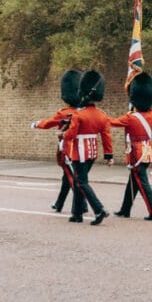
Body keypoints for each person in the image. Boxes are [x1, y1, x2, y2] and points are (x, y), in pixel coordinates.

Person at [62, 70, 112, 225]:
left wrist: (61, 134)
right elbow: (106, 136)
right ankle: (77, 214)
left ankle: (99, 209)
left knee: (82, 182)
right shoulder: (102, 115)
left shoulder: (79, 115)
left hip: (80, 152)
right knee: (78, 181)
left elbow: (70, 134)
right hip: (92, 151)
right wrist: (109, 155)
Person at [31, 70, 86, 214]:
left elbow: (49, 123)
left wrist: (36, 124)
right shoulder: (83, 112)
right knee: (67, 178)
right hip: (80, 148)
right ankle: (59, 203)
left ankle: (83, 204)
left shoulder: (64, 112)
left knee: (72, 177)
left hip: (67, 148)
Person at [109, 72, 152, 221]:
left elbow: (112, 122)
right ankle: (125, 209)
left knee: (142, 182)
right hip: (146, 150)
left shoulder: (130, 117)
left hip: (136, 153)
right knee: (133, 181)